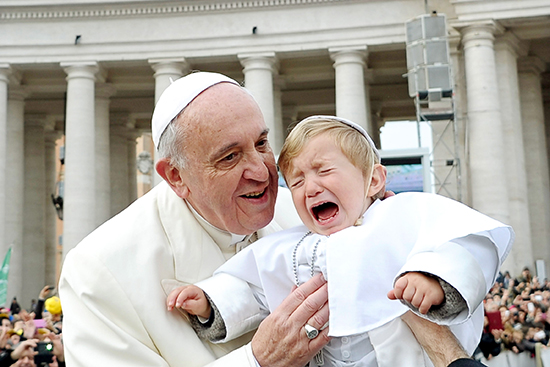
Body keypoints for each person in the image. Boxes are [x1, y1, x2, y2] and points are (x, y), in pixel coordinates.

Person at [59, 71, 505, 367]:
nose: (263, 171)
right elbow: (248, 285)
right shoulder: (98, 271)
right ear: (176, 176)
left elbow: (461, 243)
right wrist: (257, 360)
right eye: (230, 156)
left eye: (262, 143)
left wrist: (430, 275)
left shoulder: (318, 210)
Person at [167, 115, 514, 366]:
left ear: (374, 179)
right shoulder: (293, 246)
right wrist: (210, 303)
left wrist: (435, 281)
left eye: (324, 170)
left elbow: (465, 243)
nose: (311, 186)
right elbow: (252, 287)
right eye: (298, 180)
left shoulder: (404, 213)